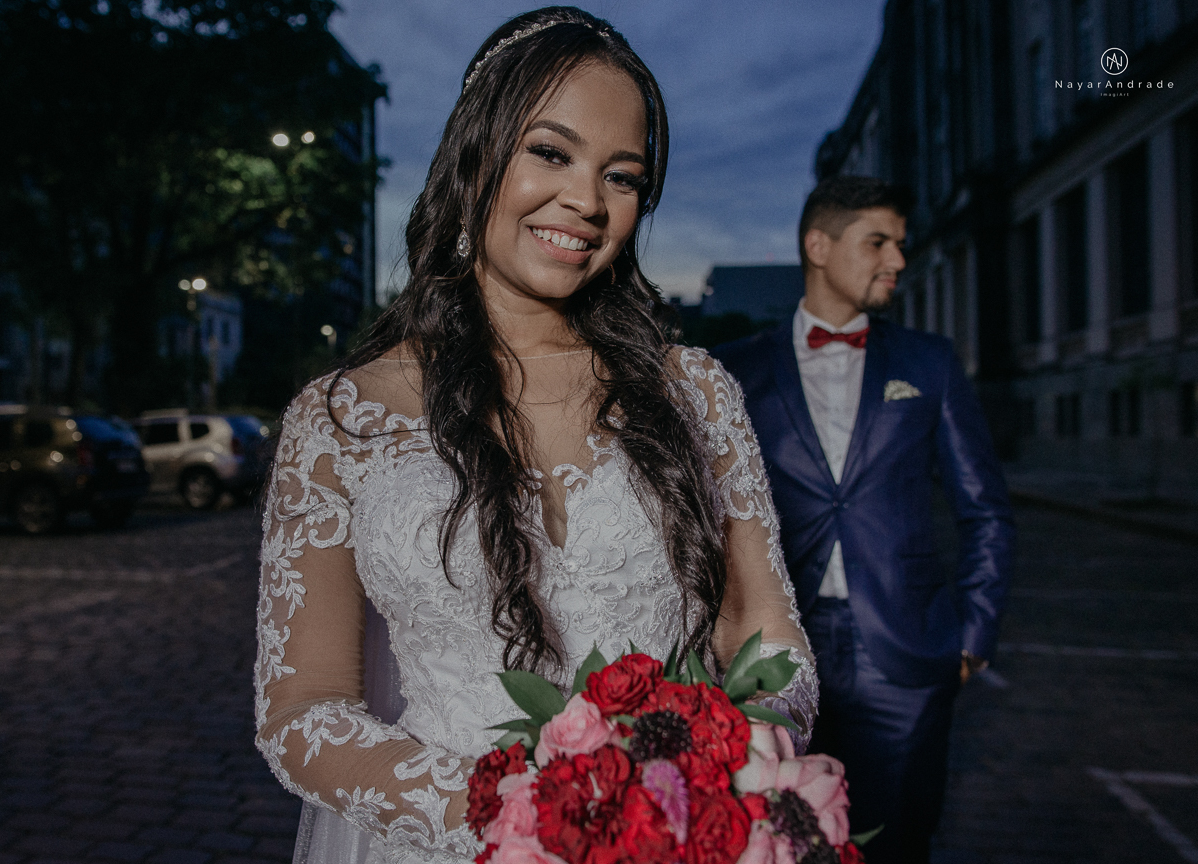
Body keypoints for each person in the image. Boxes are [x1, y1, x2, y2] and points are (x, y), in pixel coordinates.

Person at [254, 9, 819, 864]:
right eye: (550, 153)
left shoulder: (694, 391)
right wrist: (520, 819)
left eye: (623, 178)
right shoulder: (338, 420)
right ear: (476, 155)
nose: (588, 202)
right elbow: (303, 710)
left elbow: (766, 633)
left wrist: (726, 781)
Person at [713, 176, 1014, 864]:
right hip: (774, 654)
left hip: (906, 655)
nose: (897, 261)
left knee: (902, 839)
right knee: (774, 844)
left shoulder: (928, 363)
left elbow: (987, 511)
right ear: (819, 245)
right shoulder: (734, 370)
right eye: (878, 242)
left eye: (900, 245)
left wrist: (973, 636)